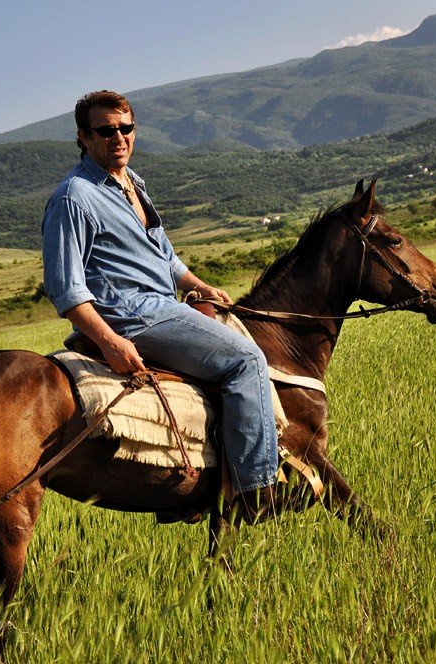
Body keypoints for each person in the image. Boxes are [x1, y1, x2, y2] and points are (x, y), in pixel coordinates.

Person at [41, 90, 280, 521]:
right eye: (106, 130)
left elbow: (166, 258)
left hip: (163, 303)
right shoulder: (73, 198)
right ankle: (255, 492)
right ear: (83, 136)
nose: (118, 137)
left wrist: (199, 284)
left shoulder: (135, 184)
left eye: (125, 128)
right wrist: (110, 341)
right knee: (246, 360)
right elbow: (66, 288)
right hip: (134, 315)